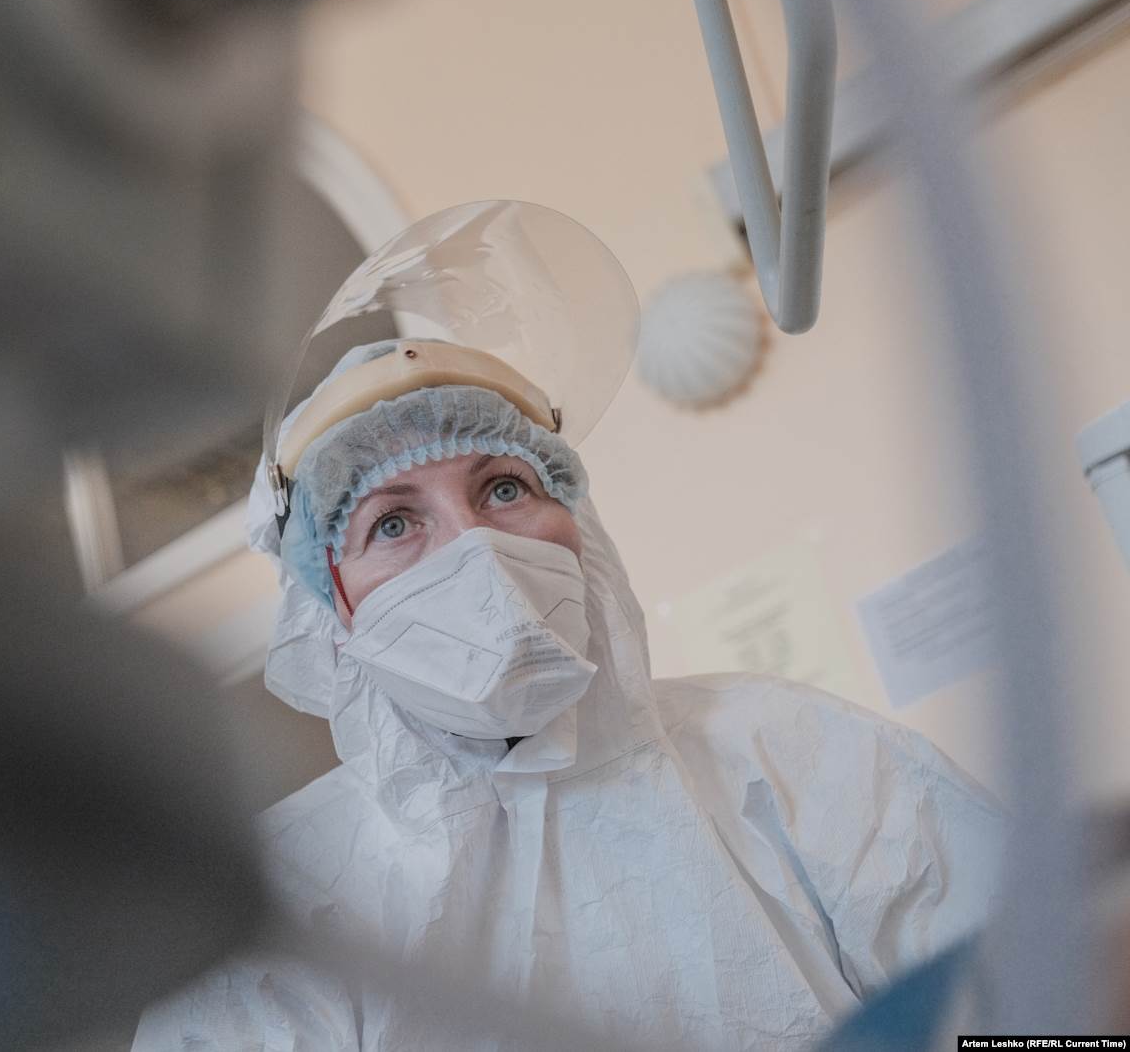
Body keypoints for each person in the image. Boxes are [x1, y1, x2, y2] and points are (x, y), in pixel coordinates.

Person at [132, 205, 1003, 1050]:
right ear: (334, 610)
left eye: (504, 487)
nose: (476, 548)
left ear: (578, 524)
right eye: (392, 522)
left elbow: (1052, 1002)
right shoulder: (280, 902)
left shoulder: (789, 755)